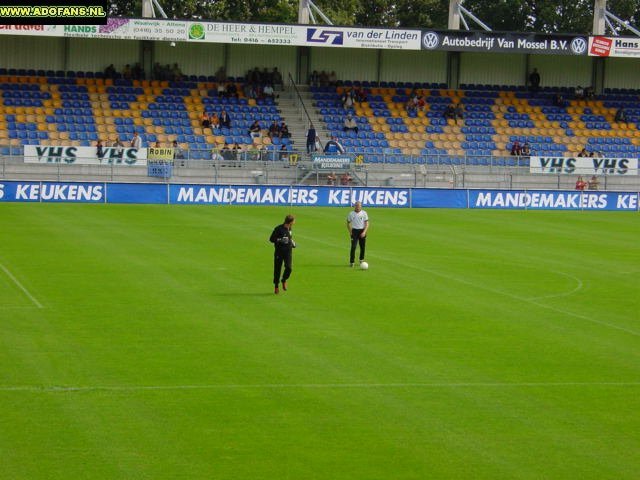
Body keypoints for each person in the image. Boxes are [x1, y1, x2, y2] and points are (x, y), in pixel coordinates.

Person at [269, 214, 296, 294]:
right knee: (277, 269)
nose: (294, 222)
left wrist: (292, 243)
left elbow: (289, 238)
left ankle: (284, 280)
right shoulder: (278, 229)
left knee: (289, 268)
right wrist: (280, 240)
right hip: (279, 252)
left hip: (288, 252)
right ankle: (276, 286)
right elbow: (271, 239)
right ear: (290, 222)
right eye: (294, 221)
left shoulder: (290, 228)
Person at [347, 201, 369, 268]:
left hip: (362, 231)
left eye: (359, 206)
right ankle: (352, 262)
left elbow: (367, 223)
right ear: (354, 206)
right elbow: (348, 223)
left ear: (361, 206)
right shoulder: (351, 214)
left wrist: (364, 232)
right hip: (354, 231)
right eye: (356, 205)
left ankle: (361, 259)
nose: (358, 207)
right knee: (353, 247)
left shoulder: (364, 213)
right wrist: (351, 232)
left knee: (362, 247)